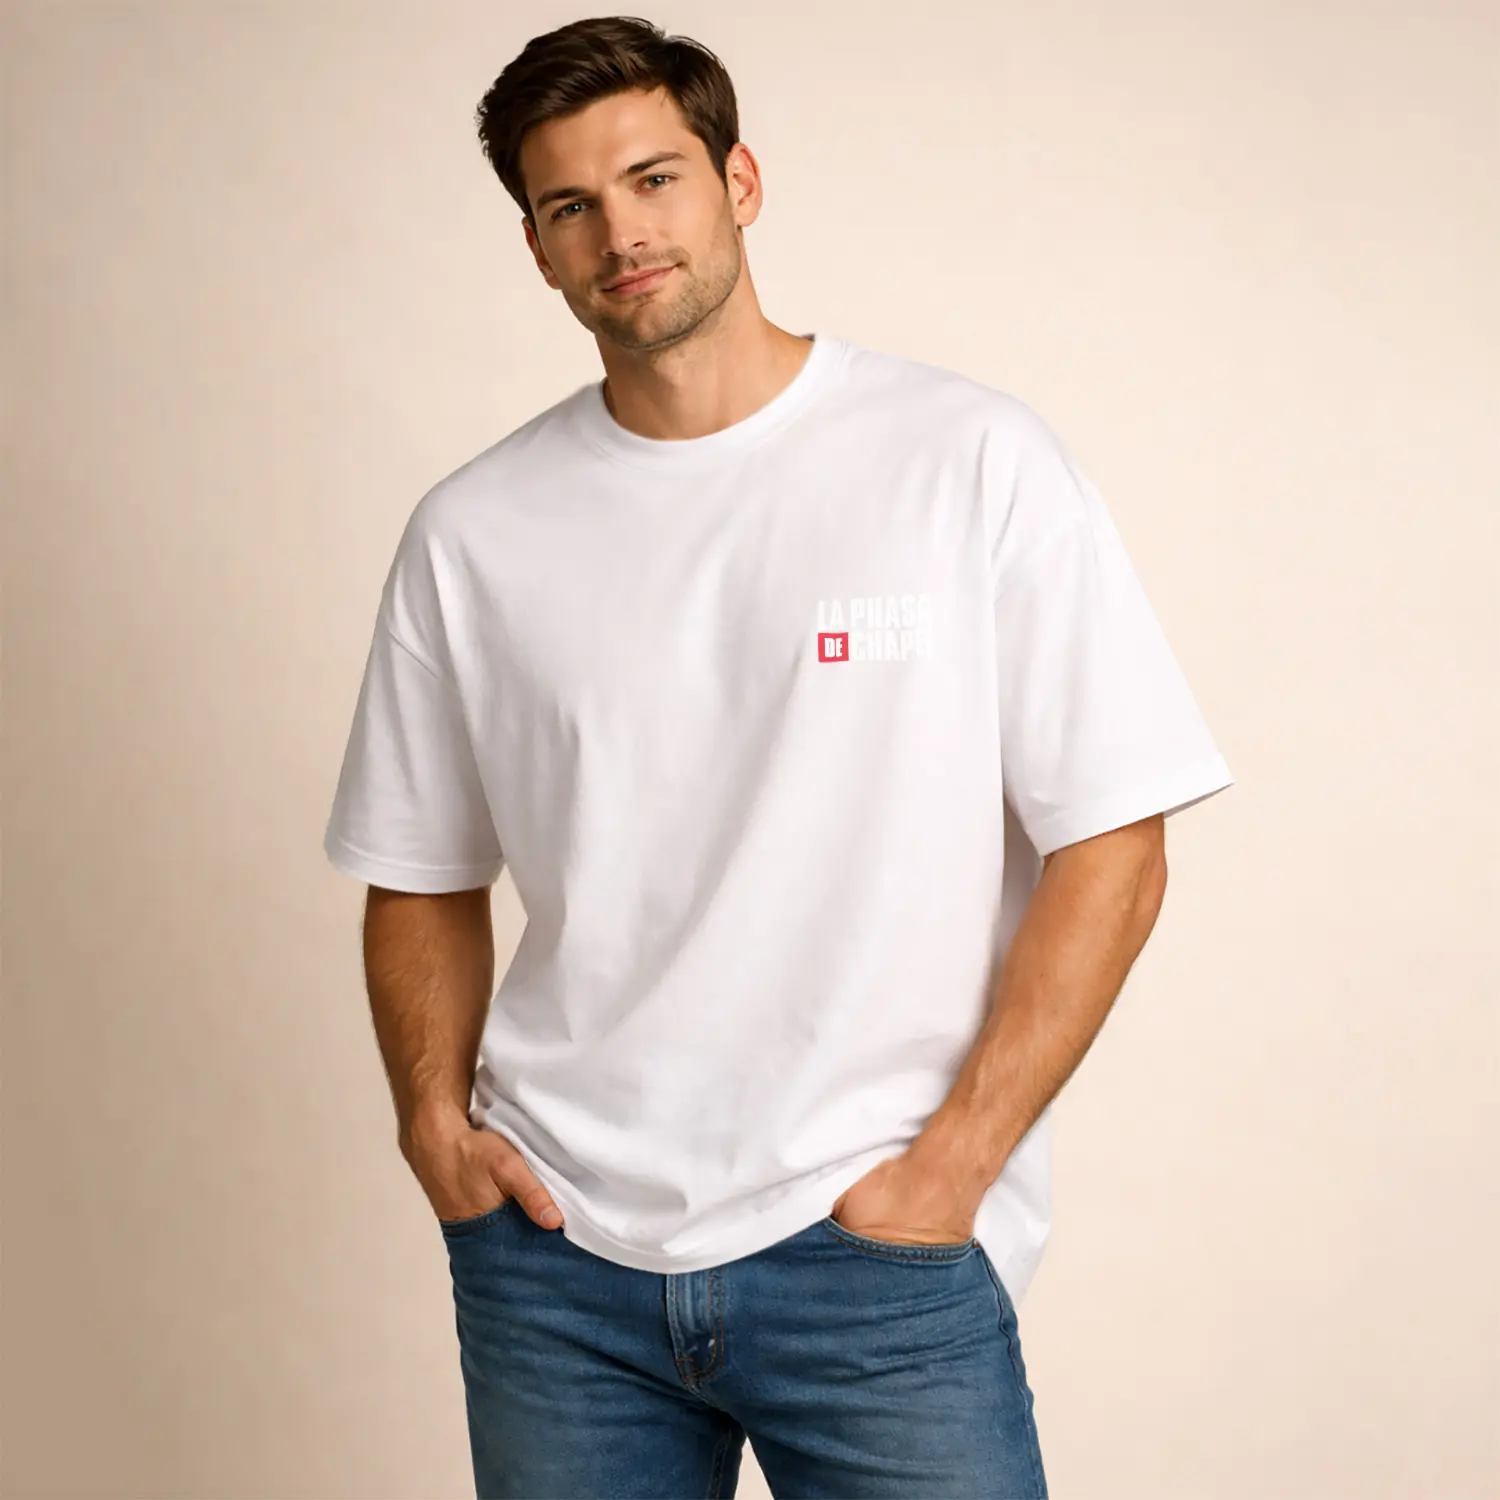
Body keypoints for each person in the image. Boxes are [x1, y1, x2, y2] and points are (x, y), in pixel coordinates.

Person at [322, 15, 1234, 1498]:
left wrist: (956, 1166)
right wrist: (435, 1127)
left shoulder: (966, 461)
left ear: (739, 181)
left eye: (655, 178)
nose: (623, 233)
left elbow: (1116, 845)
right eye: (571, 205)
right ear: (538, 250)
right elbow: (416, 871)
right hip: (558, 1261)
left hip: (876, 1251)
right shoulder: (473, 533)